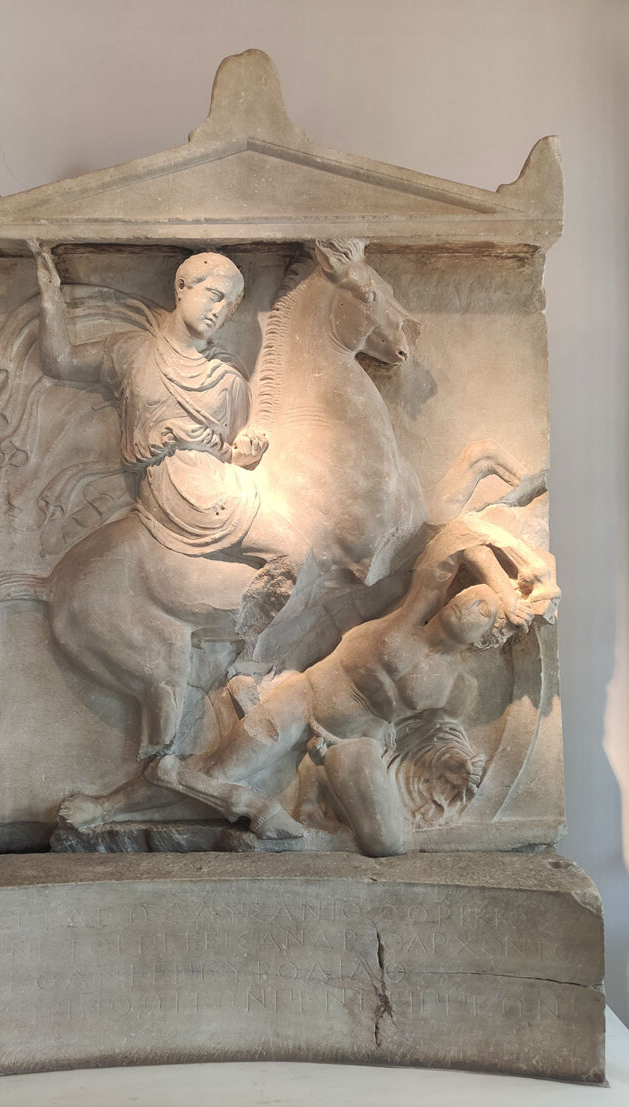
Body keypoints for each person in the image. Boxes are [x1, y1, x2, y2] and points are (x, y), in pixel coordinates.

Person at [60, 520, 550, 840]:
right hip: (305, 699)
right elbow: (457, 537)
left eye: (483, 606)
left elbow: (434, 737)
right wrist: (506, 582)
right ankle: (106, 806)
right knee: (216, 772)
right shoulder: (411, 614)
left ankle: (307, 826)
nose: (470, 600)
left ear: (488, 636)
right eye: (472, 593)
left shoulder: (457, 688)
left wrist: (462, 765)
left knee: (385, 844)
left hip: (352, 742)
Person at [32, 244, 309, 617]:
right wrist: (51, 297)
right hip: (181, 492)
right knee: (296, 553)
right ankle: (248, 642)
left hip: (218, 481)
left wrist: (243, 452)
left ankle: (244, 644)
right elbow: (60, 361)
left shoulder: (228, 377)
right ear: (182, 286)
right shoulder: (131, 352)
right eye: (214, 295)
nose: (220, 311)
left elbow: (229, 449)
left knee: (300, 549)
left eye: (230, 306)